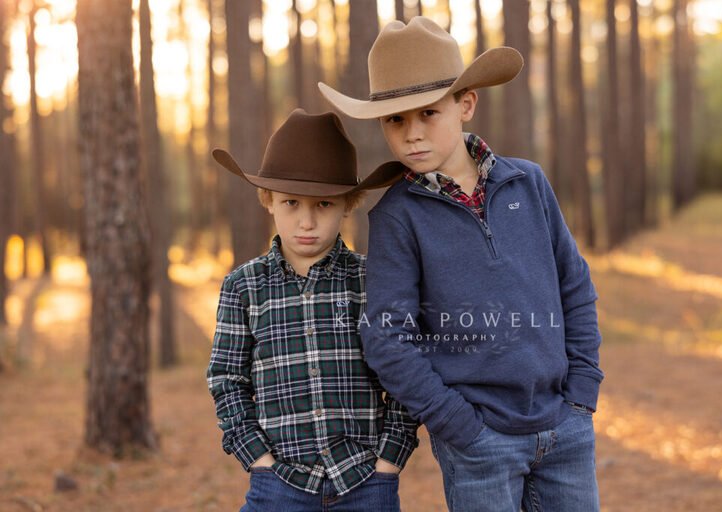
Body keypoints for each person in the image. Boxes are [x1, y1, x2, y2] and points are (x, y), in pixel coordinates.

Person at [319, 17, 604, 512]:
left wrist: (581, 394)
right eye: (395, 120)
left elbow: (574, 285)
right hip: (479, 442)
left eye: (428, 113)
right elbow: (386, 336)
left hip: (564, 428)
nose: (412, 135)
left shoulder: (528, 184)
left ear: (466, 103)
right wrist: (457, 424)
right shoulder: (397, 216)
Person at [206, 109, 417, 512]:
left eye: (323, 203)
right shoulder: (243, 287)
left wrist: (389, 460)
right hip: (279, 483)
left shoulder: (374, 281)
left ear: (348, 205)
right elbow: (227, 379)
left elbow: (406, 373)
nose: (306, 221)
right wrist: (259, 462)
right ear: (268, 201)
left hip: (365, 480)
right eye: (291, 203)